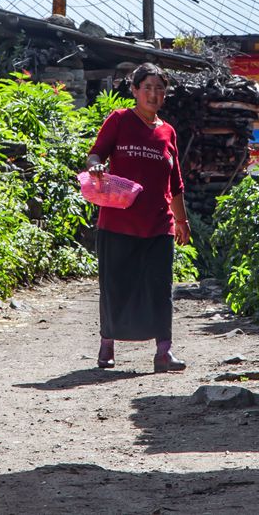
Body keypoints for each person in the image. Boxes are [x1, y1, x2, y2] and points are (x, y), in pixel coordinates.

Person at [87, 63, 192, 373]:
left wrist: (182, 222)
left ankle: (164, 351)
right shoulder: (119, 120)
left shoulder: (168, 131)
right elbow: (96, 153)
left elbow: (175, 185)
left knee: (161, 286)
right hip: (118, 221)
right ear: (134, 91)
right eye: (147, 87)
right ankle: (108, 343)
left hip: (159, 223)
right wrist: (96, 167)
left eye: (160, 89)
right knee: (115, 284)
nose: (154, 94)